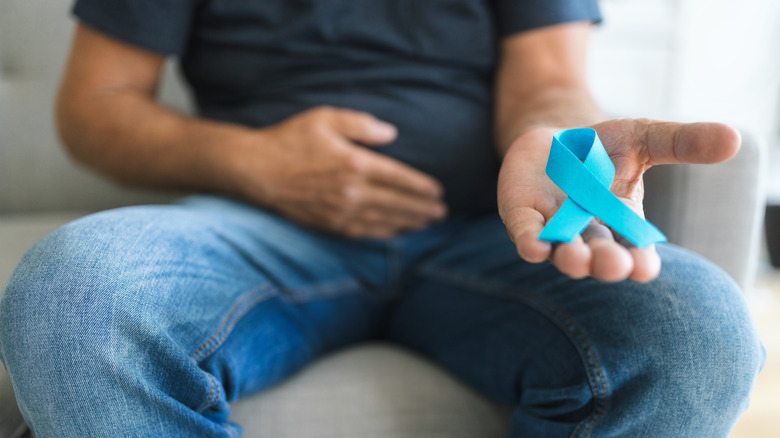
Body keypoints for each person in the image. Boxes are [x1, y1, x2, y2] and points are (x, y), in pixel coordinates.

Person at [0, 1, 765, 437]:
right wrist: (253, 162)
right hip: (259, 233)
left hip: (482, 237)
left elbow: (548, 81)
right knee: (73, 296)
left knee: (697, 326)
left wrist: (562, 146)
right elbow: (93, 110)